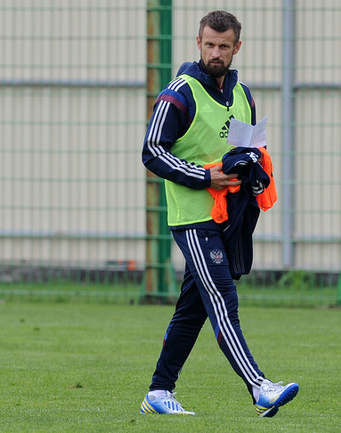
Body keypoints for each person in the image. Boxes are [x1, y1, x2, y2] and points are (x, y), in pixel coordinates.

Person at [139, 10, 298, 416]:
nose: (215, 52)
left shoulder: (243, 94)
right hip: (193, 218)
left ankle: (159, 392)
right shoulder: (180, 92)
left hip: (229, 216)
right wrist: (205, 176)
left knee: (192, 309)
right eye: (209, 44)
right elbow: (152, 151)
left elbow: (252, 147)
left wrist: (256, 174)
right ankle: (259, 387)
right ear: (198, 42)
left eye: (223, 46)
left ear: (236, 47)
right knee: (222, 298)